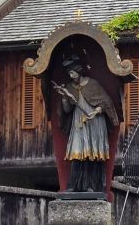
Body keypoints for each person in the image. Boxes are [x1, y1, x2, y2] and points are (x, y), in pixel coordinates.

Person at [53, 56, 119, 193]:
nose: (70, 76)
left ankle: (92, 186)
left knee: (92, 151)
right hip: (78, 122)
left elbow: (106, 102)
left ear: (78, 71)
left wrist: (96, 111)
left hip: (95, 121)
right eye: (69, 73)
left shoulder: (93, 84)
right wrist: (64, 97)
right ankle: (73, 185)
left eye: (72, 72)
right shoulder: (70, 87)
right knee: (77, 151)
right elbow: (67, 110)